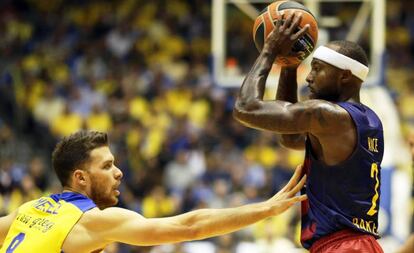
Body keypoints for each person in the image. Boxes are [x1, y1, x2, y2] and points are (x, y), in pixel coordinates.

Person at [0, 130, 306, 253]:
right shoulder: (90, 220)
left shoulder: (28, 210)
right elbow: (189, 225)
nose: (119, 172)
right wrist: (265, 208)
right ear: (80, 178)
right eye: (106, 166)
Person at [233, 12, 384, 253]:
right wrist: (289, 65)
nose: (310, 77)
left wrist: (270, 50)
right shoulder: (368, 120)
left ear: (344, 75)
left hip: (343, 246)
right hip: (358, 244)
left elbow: (245, 108)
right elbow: (291, 137)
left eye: (317, 69)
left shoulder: (328, 114)